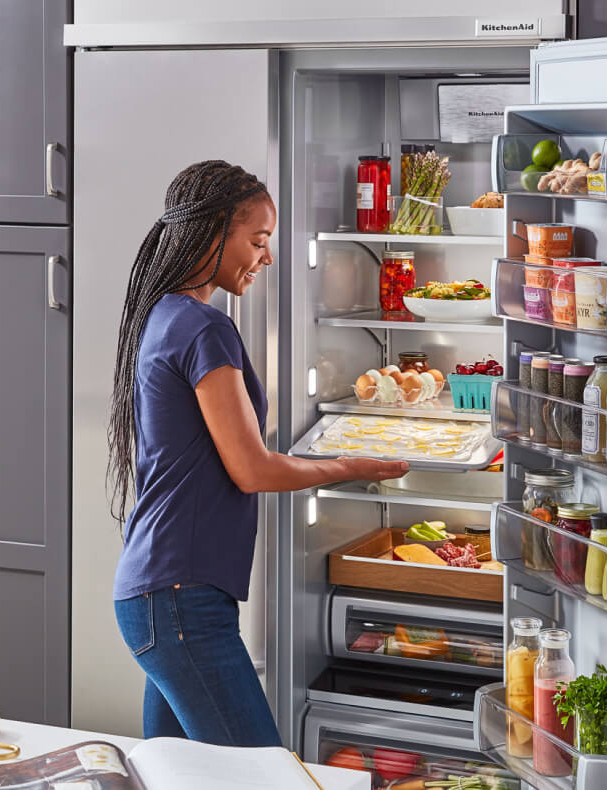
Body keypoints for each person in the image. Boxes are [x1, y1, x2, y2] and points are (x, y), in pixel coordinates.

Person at [107, 160, 408, 746]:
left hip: (161, 595)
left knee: (179, 776)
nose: (266, 257)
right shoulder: (204, 328)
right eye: (258, 240)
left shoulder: (166, 315)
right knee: (256, 773)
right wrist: (357, 466)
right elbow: (252, 469)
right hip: (178, 603)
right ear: (214, 230)